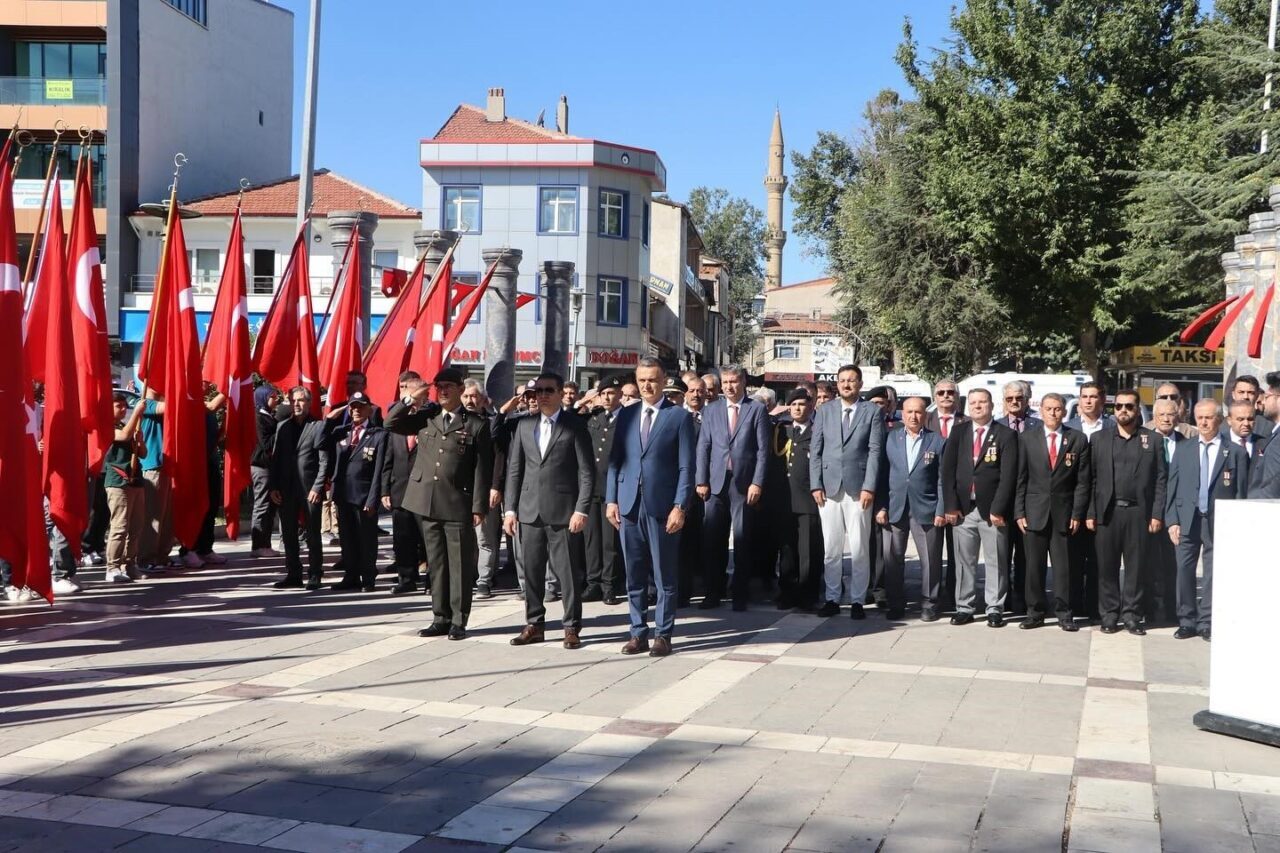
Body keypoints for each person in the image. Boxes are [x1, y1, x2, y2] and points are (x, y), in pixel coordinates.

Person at [385, 368, 491, 641]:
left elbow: (482, 469)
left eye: (448, 386)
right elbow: (391, 424)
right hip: (426, 501)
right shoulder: (427, 416)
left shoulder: (475, 424)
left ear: (459, 388)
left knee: (459, 565)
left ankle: (458, 620)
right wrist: (411, 398)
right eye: (439, 386)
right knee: (437, 563)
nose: (442, 391)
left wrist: (479, 506)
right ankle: (439, 617)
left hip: (457, 502)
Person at [606, 357, 696, 656]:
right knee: (634, 574)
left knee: (664, 575)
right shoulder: (627, 415)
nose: (647, 385)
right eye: (642, 379)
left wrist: (680, 506)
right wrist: (611, 499)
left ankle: (663, 634)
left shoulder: (678, 417)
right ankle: (637, 633)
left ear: (663, 381)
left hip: (662, 507)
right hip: (629, 504)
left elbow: (687, 467)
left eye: (653, 380)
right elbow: (616, 462)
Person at [505, 372, 594, 649]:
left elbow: (586, 472)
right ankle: (535, 624)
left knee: (567, 573)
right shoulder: (524, 426)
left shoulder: (575, 425)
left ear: (559, 393)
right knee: (531, 572)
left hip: (563, 513)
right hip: (529, 512)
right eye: (537, 391)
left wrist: (581, 509)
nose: (541, 395)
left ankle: (571, 626)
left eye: (548, 390)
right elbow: (515, 471)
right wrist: (510, 510)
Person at [1166, 399, 1248, 640]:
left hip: (1218, 522)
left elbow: (1241, 492)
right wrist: (1172, 520)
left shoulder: (1235, 452)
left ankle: (1206, 621)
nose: (1203, 422)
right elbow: (1172, 486)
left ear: (1219, 420)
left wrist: (1236, 524)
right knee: (1184, 570)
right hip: (1187, 519)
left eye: (1209, 417)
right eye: (1199, 417)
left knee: (1212, 574)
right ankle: (1187, 620)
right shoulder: (1184, 448)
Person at [1087, 388, 1166, 636]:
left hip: (1138, 513)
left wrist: (1156, 514)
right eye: (1119, 406)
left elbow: (1160, 480)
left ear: (1137, 409)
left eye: (1129, 406)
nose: (1123, 410)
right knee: (1106, 568)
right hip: (1108, 513)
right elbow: (1090, 480)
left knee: (1136, 568)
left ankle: (1132, 615)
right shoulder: (1099, 439)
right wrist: (1090, 512)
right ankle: (1109, 615)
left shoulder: (1152, 440)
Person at [809, 364, 885, 619]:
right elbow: (816, 450)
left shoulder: (872, 411)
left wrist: (869, 486)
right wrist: (815, 484)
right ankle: (832, 598)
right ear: (837, 384)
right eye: (842, 380)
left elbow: (875, 451)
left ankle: (857, 600)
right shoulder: (825, 410)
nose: (846, 385)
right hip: (829, 488)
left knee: (859, 547)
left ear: (860, 384)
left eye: (851, 380)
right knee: (831, 547)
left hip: (858, 489)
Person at [696, 363, 771, 611]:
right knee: (712, 540)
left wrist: (757, 482)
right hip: (715, 482)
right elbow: (703, 447)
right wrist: (701, 480)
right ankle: (712, 592)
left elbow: (762, 451)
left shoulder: (756, 409)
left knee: (742, 539)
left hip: (743, 482)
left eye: (734, 381)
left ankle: (740, 593)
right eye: (725, 382)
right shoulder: (712, 410)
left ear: (743, 382)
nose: (729, 386)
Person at [1014, 393, 1091, 631]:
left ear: (1064, 412)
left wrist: (1077, 514)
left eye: (1058, 409)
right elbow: (1020, 478)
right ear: (1041, 411)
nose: (1054, 413)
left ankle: (1064, 613)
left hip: (1064, 514)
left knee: (1063, 568)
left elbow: (1082, 482)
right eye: (1049, 409)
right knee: (1033, 567)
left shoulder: (1077, 439)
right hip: (1034, 512)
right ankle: (1035, 612)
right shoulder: (1027, 438)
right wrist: (1019, 512)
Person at [942, 389, 1017, 626]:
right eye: (973, 402)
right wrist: (951, 505)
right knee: (964, 562)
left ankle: (995, 607)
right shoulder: (959, 432)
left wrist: (999, 509)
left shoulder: (1006, 435)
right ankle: (964, 607)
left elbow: (1008, 476)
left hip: (992, 511)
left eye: (982, 402)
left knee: (996, 560)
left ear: (991, 405)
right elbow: (947, 472)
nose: (977, 406)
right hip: (964, 509)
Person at [876, 396, 946, 620]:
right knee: (893, 559)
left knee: (931, 559)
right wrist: (881, 506)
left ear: (925, 415)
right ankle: (896, 603)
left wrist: (941, 510)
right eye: (909, 412)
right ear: (901, 414)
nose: (914, 416)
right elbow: (882, 476)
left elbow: (942, 480)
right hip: (895, 507)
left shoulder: (937, 441)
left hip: (926, 508)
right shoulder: (891, 438)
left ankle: (929, 603)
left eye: (918, 412)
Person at [268, 386, 331, 590]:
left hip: (309, 489)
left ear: (309, 403)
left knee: (313, 532)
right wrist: (273, 486)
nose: (297, 404)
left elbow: (324, 461)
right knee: (288, 533)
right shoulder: (282, 427)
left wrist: (318, 487)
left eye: (301, 400)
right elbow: (276, 459)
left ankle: (315, 573)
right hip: (286, 489)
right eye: (294, 400)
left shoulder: (318, 426)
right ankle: (293, 573)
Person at [329, 392, 389, 592]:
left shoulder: (378, 434)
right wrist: (330, 419)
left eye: (360, 406)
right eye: (352, 407)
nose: (356, 410)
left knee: (366, 540)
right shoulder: (341, 432)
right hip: (343, 495)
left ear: (369, 409)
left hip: (363, 496)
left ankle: (368, 577)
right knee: (347, 539)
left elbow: (379, 469)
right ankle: (351, 575)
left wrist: (373, 499)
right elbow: (320, 442)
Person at [772, 389, 823, 610]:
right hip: (785, 500)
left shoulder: (817, 431)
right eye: (793, 405)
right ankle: (787, 591)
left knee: (808, 550)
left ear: (811, 407)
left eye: (802, 404)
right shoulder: (782, 430)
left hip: (808, 500)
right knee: (787, 550)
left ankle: (808, 594)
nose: (798, 409)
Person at [997, 379, 1039, 614]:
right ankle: (1002, 599)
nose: (1014, 402)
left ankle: (1023, 598)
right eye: (1009, 398)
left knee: (1025, 555)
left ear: (1026, 400)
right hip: (1003, 500)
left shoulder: (1037, 425)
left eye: (1018, 398)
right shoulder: (997, 425)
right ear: (1004, 401)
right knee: (1002, 553)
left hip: (1030, 501)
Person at [385, 372, 429, 595]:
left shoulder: (430, 416)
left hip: (424, 490)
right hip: (400, 488)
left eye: (409, 391)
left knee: (427, 538)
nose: (404, 394)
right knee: (403, 537)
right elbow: (389, 457)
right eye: (403, 390)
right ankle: (407, 578)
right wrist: (385, 489)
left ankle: (431, 579)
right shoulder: (398, 420)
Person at [462, 379, 504, 598]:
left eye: (474, 396)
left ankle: (484, 581)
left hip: (485, 490)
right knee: (463, 539)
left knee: (484, 539)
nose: (470, 400)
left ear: (482, 399)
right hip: (459, 491)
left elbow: (499, 457)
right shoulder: (454, 422)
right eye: (466, 396)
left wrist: (495, 487)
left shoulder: (490, 423)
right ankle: (465, 577)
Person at [584, 377, 625, 604]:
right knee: (592, 540)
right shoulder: (594, 419)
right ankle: (593, 583)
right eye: (603, 393)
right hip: (593, 488)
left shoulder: (627, 420)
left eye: (611, 392)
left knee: (610, 542)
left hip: (614, 489)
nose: (607, 397)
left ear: (619, 394)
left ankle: (609, 585)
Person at [101, 393, 147, 586]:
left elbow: (142, 453)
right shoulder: (106, 427)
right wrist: (136, 413)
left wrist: (140, 440)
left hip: (135, 480)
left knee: (136, 526)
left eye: (124, 406)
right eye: (118, 405)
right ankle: (112, 567)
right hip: (118, 481)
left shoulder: (125, 426)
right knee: (120, 526)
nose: (123, 409)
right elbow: (123, 437)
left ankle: (130, 564)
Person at [1146, 399, 1184, 626]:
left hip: (1176, 516)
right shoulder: (1146, 441)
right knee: (1149, 565)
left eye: (1171, 414)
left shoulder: (1187, 443)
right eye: (1162, 415)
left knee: (1173, 567)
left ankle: (1172, 611)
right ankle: (1149, 611)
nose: (1167, 419)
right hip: (1151, 514)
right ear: (1154, 417)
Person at [137, 389, 173, 573]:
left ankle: (162, 555)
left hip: (167, 463)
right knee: (153, 515)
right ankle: (145, 559)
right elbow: (172, 407)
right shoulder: (147, 404)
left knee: (167, 516)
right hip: (152, 464)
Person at [678, 374, 707, 604]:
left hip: (706, 489)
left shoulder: (713, 417)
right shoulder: (677, 417)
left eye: (700, 390)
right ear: (685, 393)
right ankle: (682, 591)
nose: (696, 394)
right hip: (681, 488)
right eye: (692, 390)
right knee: (682, 543)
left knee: (703, 540)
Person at [250, 385, 281, 558]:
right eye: (273, 396)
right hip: (262, 466)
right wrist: (282, 430)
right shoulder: (259, 418)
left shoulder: (269, 416)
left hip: (270, 466)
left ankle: (265, 543)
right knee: (262, 505)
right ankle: (258, 544)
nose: (276, 400)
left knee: (270, 506)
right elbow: (266, 443)